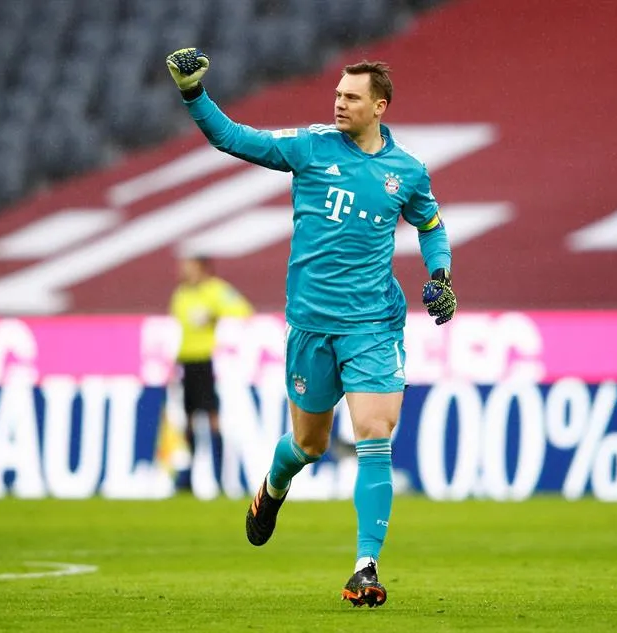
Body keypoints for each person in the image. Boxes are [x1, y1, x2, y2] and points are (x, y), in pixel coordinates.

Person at [166, 48, 457, 608]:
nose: (339, 102)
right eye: (338, 94)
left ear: (380, 106)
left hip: (373, 324)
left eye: (351, 97)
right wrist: (193, 94)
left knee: (375, 435)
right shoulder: (311, 147)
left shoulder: (408, 172)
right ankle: (273, 488)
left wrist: (441, 275)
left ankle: (365, 568)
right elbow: (233, 137)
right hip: (310, 326)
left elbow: (431, 225)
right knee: (309, 443)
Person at [169, 254, 253, 490]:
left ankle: (219, 477)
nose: (186, 271)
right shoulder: (181, 294)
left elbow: (243, 308)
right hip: (185, 362)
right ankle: (188, 478)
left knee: (212, 418)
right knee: (188, 420)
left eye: (190, 267)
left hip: (205, 362)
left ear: (203, 269)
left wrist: (214, 315)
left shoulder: (215, 290)